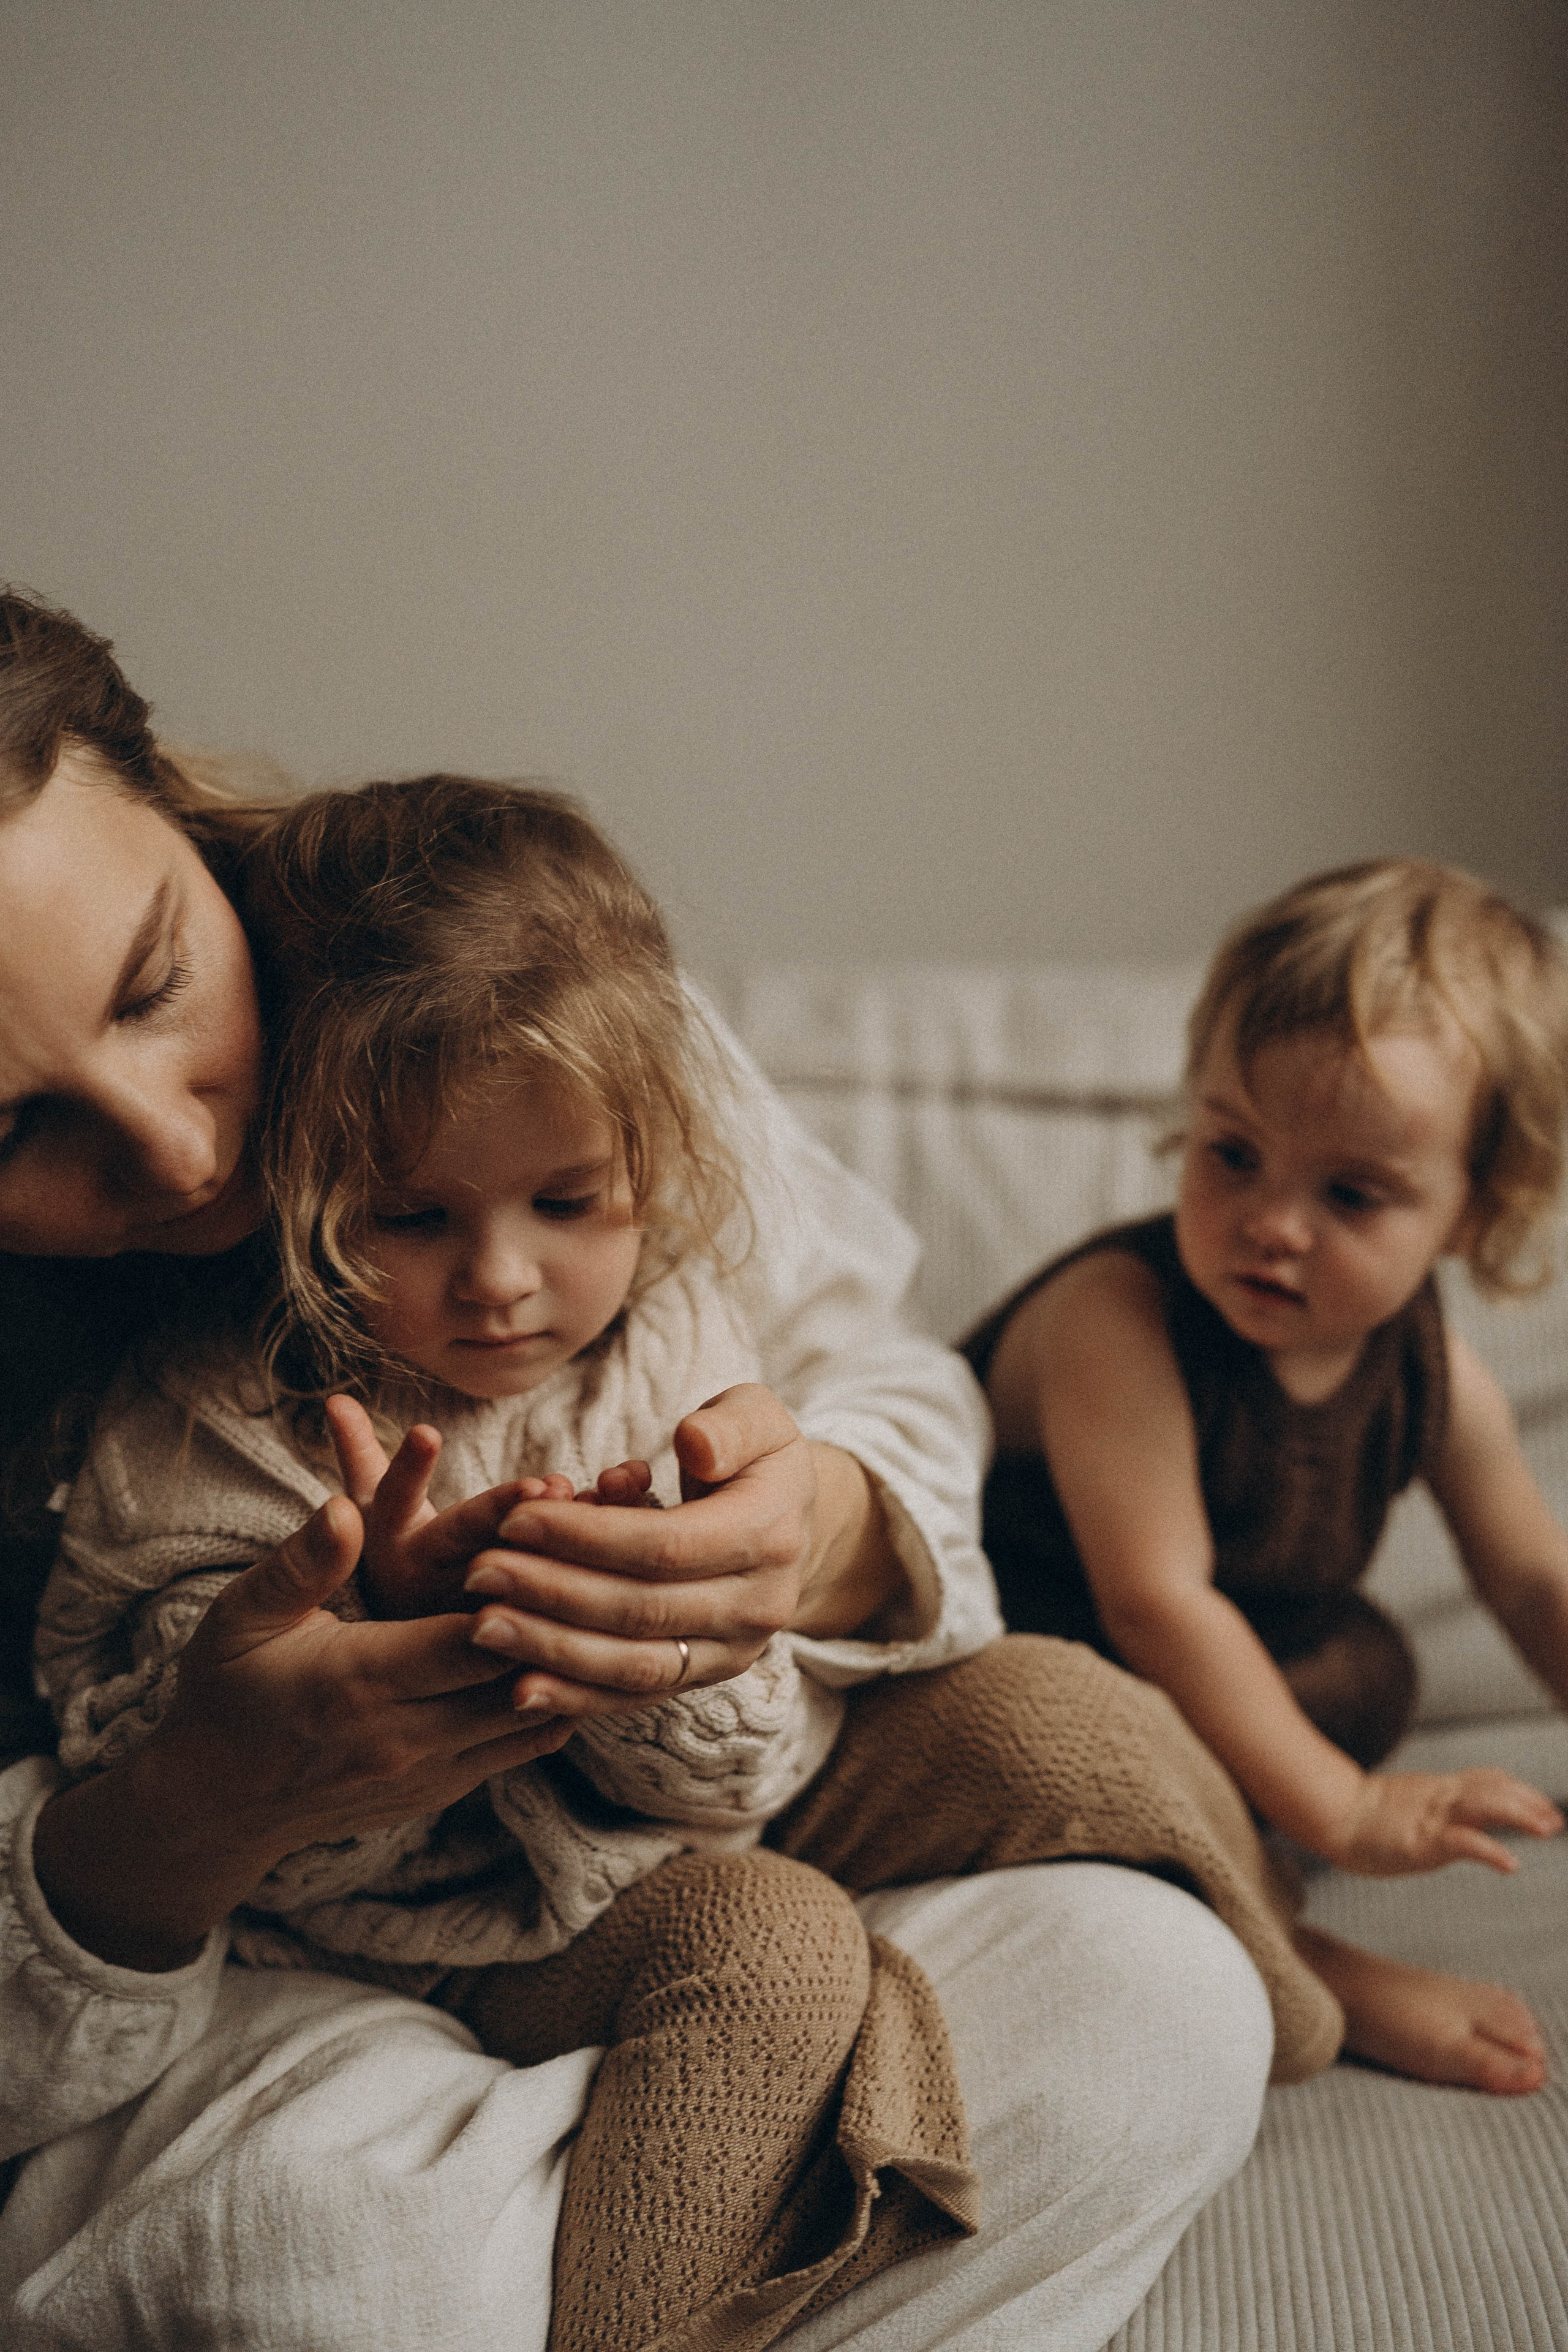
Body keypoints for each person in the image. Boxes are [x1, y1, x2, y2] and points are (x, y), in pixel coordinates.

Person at [0, 590, 1279, 2352]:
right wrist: (197, 1798)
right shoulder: (168, 1445)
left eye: (157, 984)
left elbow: (866, 1366)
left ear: (165, 787)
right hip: (254, 1975)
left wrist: (812, 1532)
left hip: (693, 1840)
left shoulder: (509, 980)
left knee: (1160, 2011)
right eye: (11, 1132)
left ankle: (658, 2214)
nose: (177, 1140)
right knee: (356, 2277)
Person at [968, 858, 1568, 2098]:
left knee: (1362, 1664)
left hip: (1205, 1681)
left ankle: (1242, 1845)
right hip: (1022, 1691)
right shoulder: (1113, 1322)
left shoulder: (1434, 1377)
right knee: (1064, 1743)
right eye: (1230, 1152)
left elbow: (1528, 1579)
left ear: (1469, 1213)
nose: (1268, 1222)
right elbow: (1155, 1603)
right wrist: (1344, 1814)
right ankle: (1304, 1959)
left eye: (1349, 1193)